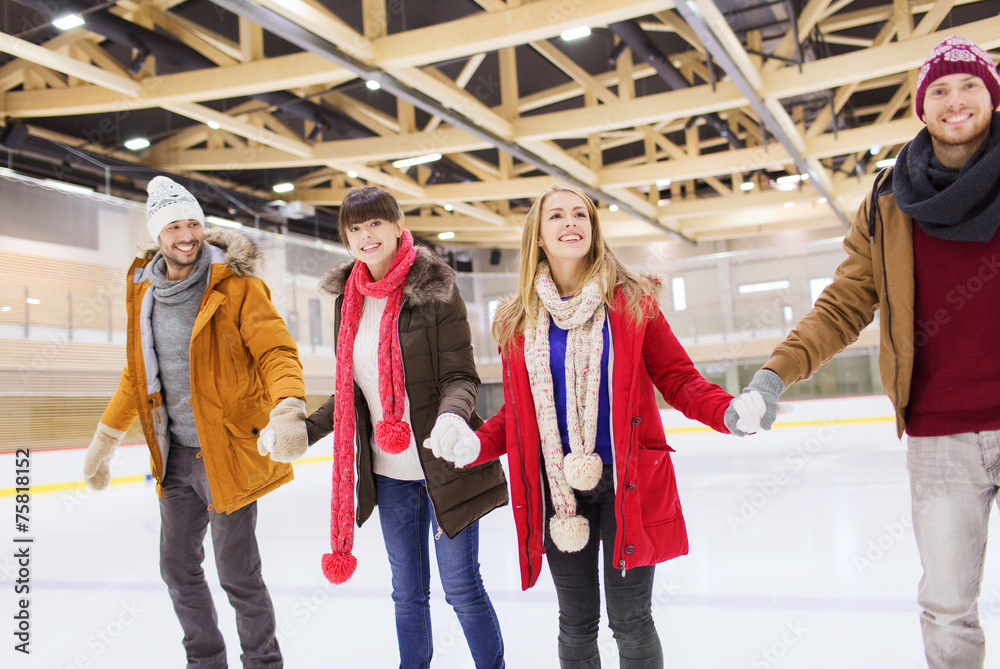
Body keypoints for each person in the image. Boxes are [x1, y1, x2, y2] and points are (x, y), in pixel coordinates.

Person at [731, 36, 1000, 669]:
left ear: (992, 95)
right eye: (939, 89)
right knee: (948, 603)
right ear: (921, 106)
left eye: (969, 85)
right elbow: (844, 304)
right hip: (939, 435)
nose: (954, 100)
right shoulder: (888, 200)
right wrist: (774, 375)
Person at [429, 184, 762, 668]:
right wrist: (473, 445)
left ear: (593, 228)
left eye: (580, 215)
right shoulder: (517, 320)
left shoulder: (631, 303)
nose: (571, 223)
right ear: (538, 236)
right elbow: (520, 416)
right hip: (558, 490)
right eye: (557, 216)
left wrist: (727, 411)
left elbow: (678, 378)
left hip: (628, 481)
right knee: (576, 623)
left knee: (631, 621)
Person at [82, 175, 308, 669]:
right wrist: (105, 439)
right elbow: (136, 374)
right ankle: (205, 661)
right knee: (178, 569)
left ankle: (263, 663)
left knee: (238, 574)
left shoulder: (237, 285)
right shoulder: (143, 291)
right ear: (156, 235)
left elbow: (274, 349)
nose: (186, 235)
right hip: (175, 457)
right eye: (173, 227)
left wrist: (288, 405)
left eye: (193, 224)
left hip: (225, 452)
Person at [287, 186, 508, 669]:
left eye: (375, 223)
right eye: (355, 227)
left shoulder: (435, 289)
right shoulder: (349, 301)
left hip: (445, 464)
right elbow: (351, 393)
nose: (366, 235)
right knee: (407, 593)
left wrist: (453, 415)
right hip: (389, 476)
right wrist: (306, 431)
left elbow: (460, 375)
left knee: (461, 588)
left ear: (397, 224)